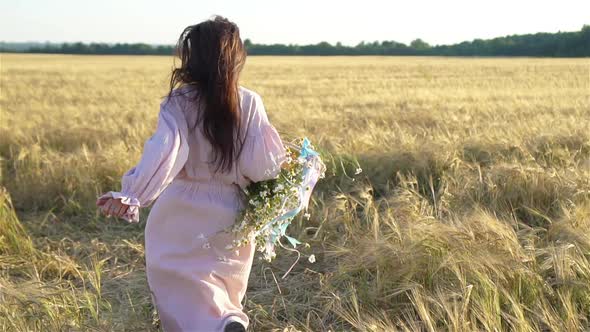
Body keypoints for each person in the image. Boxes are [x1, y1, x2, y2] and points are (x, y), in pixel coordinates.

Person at [96, 15, 286, 332]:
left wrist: (133, 194)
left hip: (180, 209)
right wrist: (287, 174)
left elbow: (165, 152)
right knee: (222, 287)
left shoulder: (178, 102)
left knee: (177, 287)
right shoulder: (250, 102)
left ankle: (214, 327)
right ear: (235, 58)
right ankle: (226, 323)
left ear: (192, 57)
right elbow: (262, 166)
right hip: (232, 212)